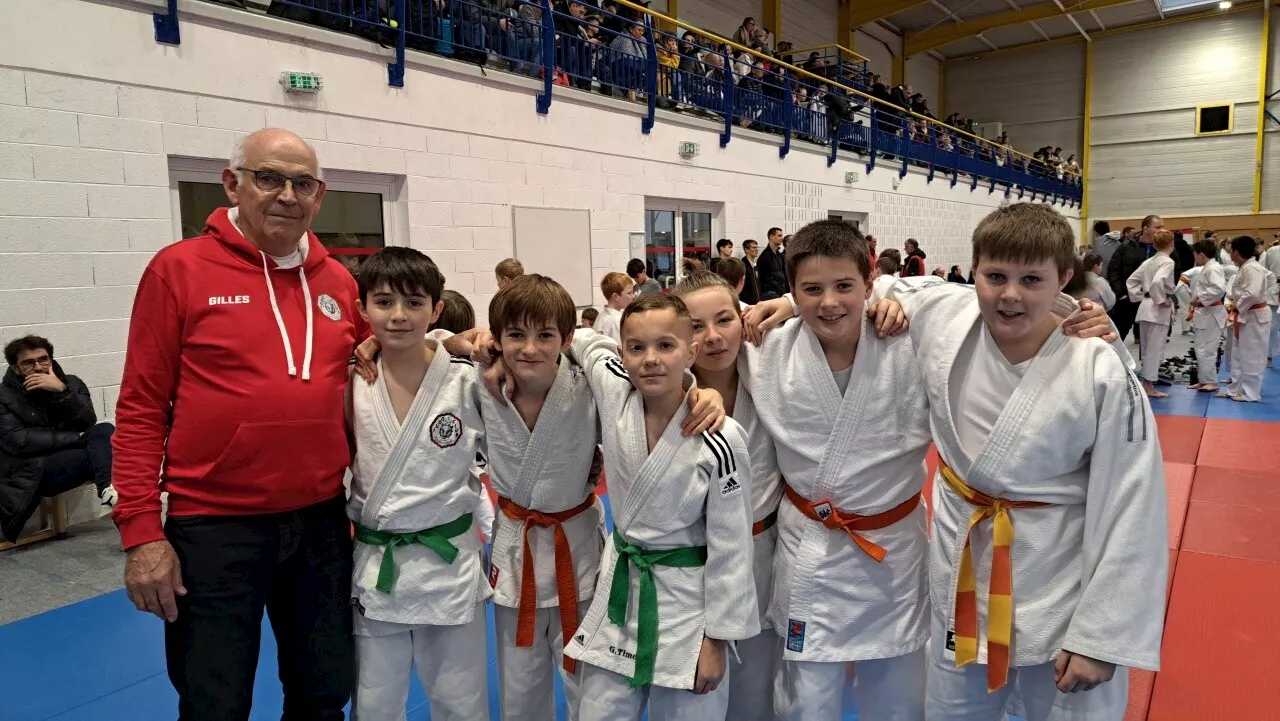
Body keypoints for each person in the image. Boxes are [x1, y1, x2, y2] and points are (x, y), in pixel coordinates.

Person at [113, 128, 361, 720]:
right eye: (269, 178)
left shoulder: (339, 283)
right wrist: (143, 533)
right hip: (215, 526)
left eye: (302, 183)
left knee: (324, 691)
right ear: (233, 183)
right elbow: (141, 408)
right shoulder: (179, 270)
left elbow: (388, 360)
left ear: (319, 196)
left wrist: (455, 344)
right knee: (214, 702)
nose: (286, 195)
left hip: (321, 521)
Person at [892, 202, 1166, 721]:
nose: (1010, 294)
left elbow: (1134, 501)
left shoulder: (1098, 366)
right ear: (972, 269)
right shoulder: (947, 317)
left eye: (1031, 279)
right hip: (963, 577)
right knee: (951, 710)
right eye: (994, 275)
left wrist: (1102, 636)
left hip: (1060, 585)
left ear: (1064, 279)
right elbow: (863, 289)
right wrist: (789, 302)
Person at [742, 220, 933, 721]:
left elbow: (977, 302)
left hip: (892, 554)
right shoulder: (768, 348)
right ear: (791, 290)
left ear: (869, 284)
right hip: (811, 550)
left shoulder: (909, 341)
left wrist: (1080, 313)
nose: (829, 302)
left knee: (899, 701)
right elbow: (688, 330)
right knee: (807, 701)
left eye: (845, 286)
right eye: (811, 289)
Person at [562, 292, 759, 721]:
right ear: (622, 353)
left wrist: (717, 640)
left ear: (690, 352)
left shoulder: (722, 438)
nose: (650, 359)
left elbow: (732, 548)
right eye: (637, 348)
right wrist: (472, 343)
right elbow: (579, 339)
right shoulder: (616, 392)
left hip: (689, 609)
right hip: (621, 597)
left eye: (666, 346)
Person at [346, 248, 492, 721]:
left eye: (413, 302)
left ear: (436, 310)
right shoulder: (350, 380)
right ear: (362, 308)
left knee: (461, 700)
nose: (398, 315)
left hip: (447, 565)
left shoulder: (467, 380)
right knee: (374, 702)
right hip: (378, 570)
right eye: (383, 302)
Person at [672, 272, 783, 721]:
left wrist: (791, 302)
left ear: (744, 318)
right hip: (691, 563)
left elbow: (842, 305)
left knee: (759, 687)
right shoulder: (661, 389)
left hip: (763, 550)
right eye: (696, 327)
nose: (714, 337)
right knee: (695, 691)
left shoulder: (771, 365)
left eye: (724, 320)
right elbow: (591, 345)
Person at [1, 335, 116, 542]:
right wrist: (76, 437)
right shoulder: (3, 397)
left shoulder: (70, 384)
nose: (38, 367)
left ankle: (109, 491)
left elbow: (87, 421)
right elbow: (18, 440)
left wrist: (62, 391)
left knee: (105, 430)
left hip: (66, 457)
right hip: (31, 471)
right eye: (29, 362)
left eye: (43, 359)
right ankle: (113, 495)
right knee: (104, 448)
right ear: (15, 368)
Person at [1221, 235, 1273, 402]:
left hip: (1254, 316)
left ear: (1236, 252)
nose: (1230, 254)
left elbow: (1252, 293)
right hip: (1245, 315)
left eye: (1231, 251)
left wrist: (1237, 305)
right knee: (1238, 354)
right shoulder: (1245, 267)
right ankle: (1234, 389)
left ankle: (1250, 393)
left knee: (1252, 355)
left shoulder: (1253, 268)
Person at [1126, 229, 1176, 398]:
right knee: (1154, 349)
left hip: (1145, 306)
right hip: (1156, 308)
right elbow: (1156, 282)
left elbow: (1131, 281)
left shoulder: (1148, 262)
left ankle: (1145, 383)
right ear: (1172, 243)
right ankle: (1148, 386)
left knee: (1146, 348)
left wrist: (1139, 296)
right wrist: (1161, 300)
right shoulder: (1167, 262)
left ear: (1154, 245)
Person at [1106, 215, 1163, 341]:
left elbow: (1174, 271)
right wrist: (1120, 293)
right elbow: (1113, 270)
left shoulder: (1164, 249)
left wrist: (1164, 295)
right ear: (1146, 229)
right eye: (1158, 227)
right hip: (1127, 299)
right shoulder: (1126, 247)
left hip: (1152, 301)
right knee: (1116, 337)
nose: (1162, 230)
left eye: (1162, 227)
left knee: (1151, 343)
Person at [1186, 239, 1227, 392]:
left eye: (1195, 254)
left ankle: (1211, 381)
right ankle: (1204, 380)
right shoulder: (1208, 267)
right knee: (1200, 348)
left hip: (1211, 313)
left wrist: (1200, 300)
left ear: (1202, 255)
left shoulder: (1213, 268)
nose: (1195, 258)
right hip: (1205, 313)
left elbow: (1219, 289)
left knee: (1208, 348)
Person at [594, 271, 635, 344]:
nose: (633, 296)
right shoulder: (616, 320)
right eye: (629, 293)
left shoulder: (601, 316)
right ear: (616, 296)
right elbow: (620, 349)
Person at [756, 227, 788, 301]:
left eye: (782, 236)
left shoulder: (779, 256)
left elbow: (782, 275)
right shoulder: (764, 257)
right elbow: (761, 280)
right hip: (769, 294)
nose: (782, 238)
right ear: (771, 237)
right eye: (779, 236)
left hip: (781, 292)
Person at [741, 240, 761, 305]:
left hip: (756, 302)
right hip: (747, 303)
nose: (757, 249)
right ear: (746, 250)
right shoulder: (742, 265)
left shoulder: (756, 266)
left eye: (757, 247)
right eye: (754, 248)